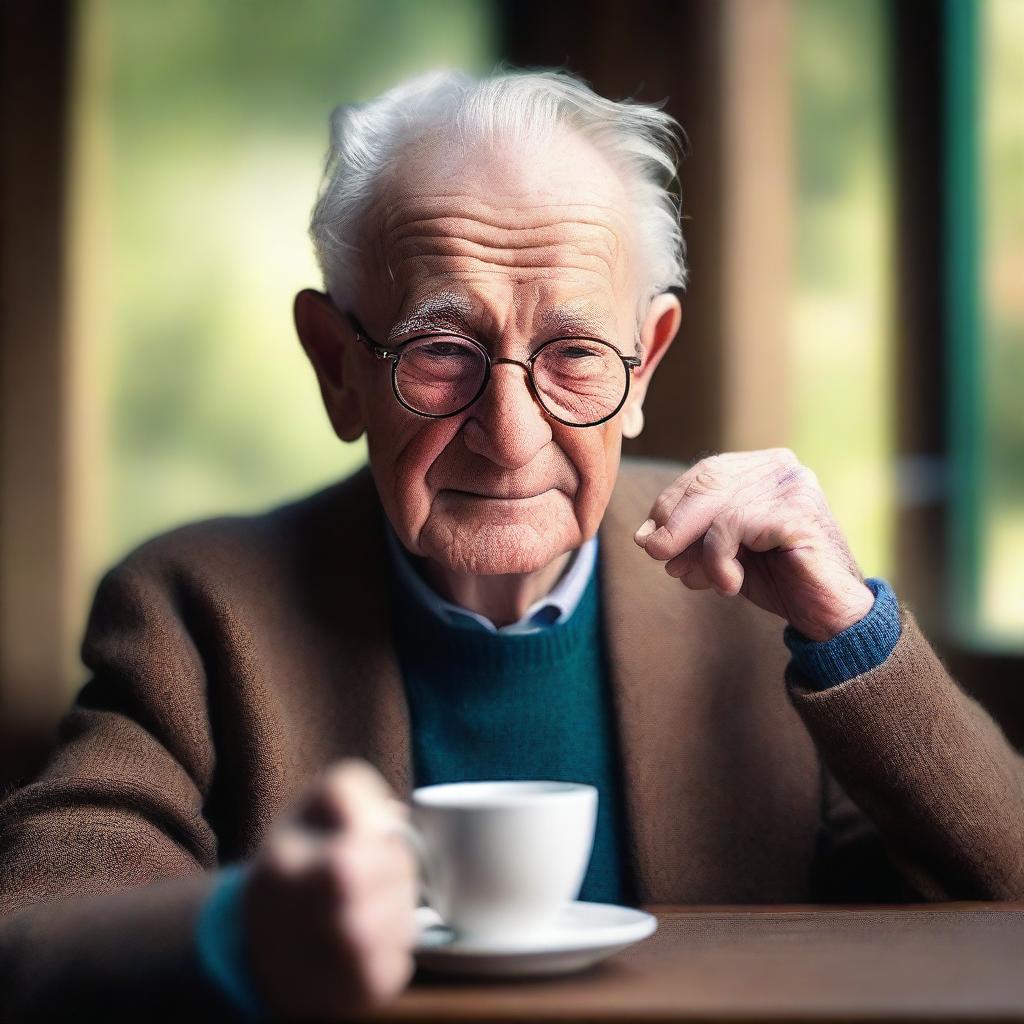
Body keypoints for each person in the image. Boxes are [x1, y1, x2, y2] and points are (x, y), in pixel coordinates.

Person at [1, 67, 1022, 1022]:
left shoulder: (755, 594)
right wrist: (243, 930)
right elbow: (35, 934)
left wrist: (850, 628)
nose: (512, 433)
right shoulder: (192, 607)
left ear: (647, 359)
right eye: (443, 351)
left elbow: (1002, 892)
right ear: (336, 365)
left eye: (575, 352)